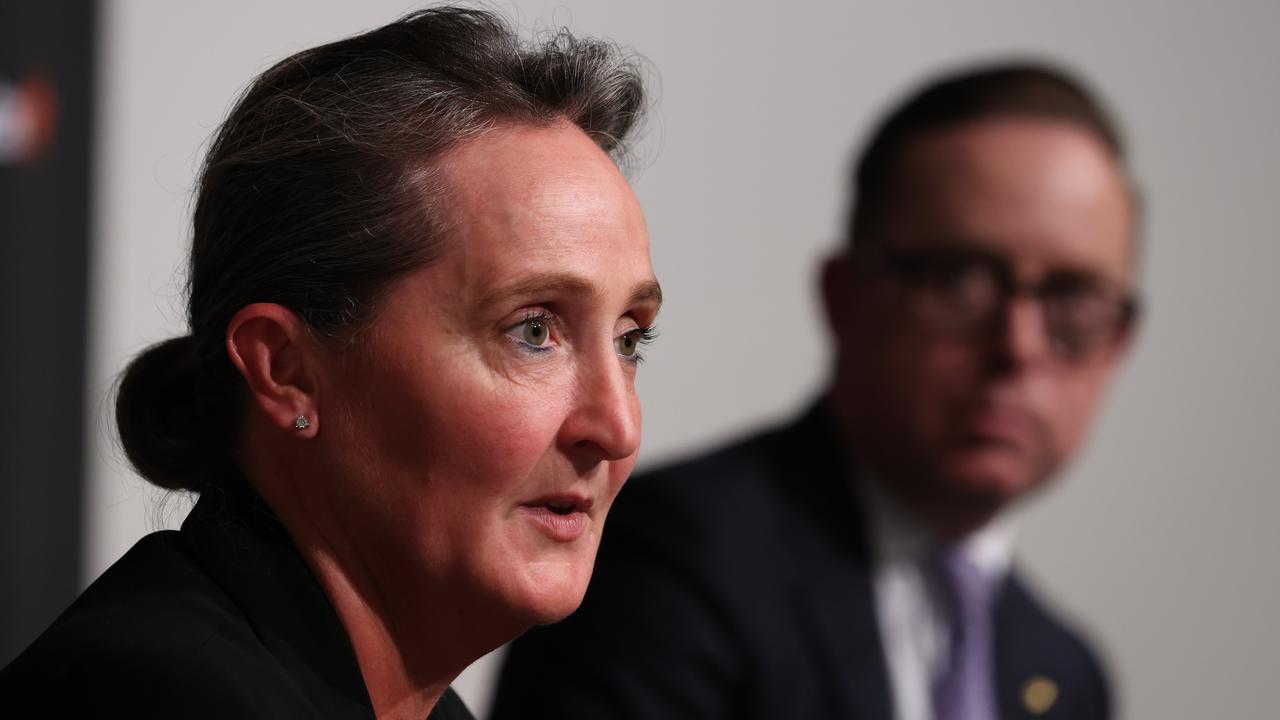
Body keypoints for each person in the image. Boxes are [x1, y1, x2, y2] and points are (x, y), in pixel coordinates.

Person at [0, 7, 661, 719]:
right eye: (533, 330)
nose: (618, 428)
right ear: (287, 371)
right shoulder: (161, 699)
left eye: (629, 339)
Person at [494, 63, 1137, 720]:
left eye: (1072, 301)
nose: (1018, 346)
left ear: (1119, 341)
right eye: (961, 282)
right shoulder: (666, 565)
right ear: (844, 297)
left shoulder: (1066, 676)